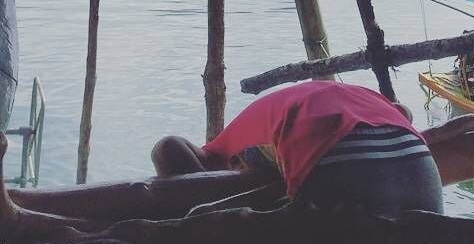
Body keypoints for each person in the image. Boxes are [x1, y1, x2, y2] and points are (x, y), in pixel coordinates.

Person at [153, 81, 443, 216]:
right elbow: (402, 112)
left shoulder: (225, 149)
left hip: (338, 157)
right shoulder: (353, 94)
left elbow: (166, 149)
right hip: (415, 156)